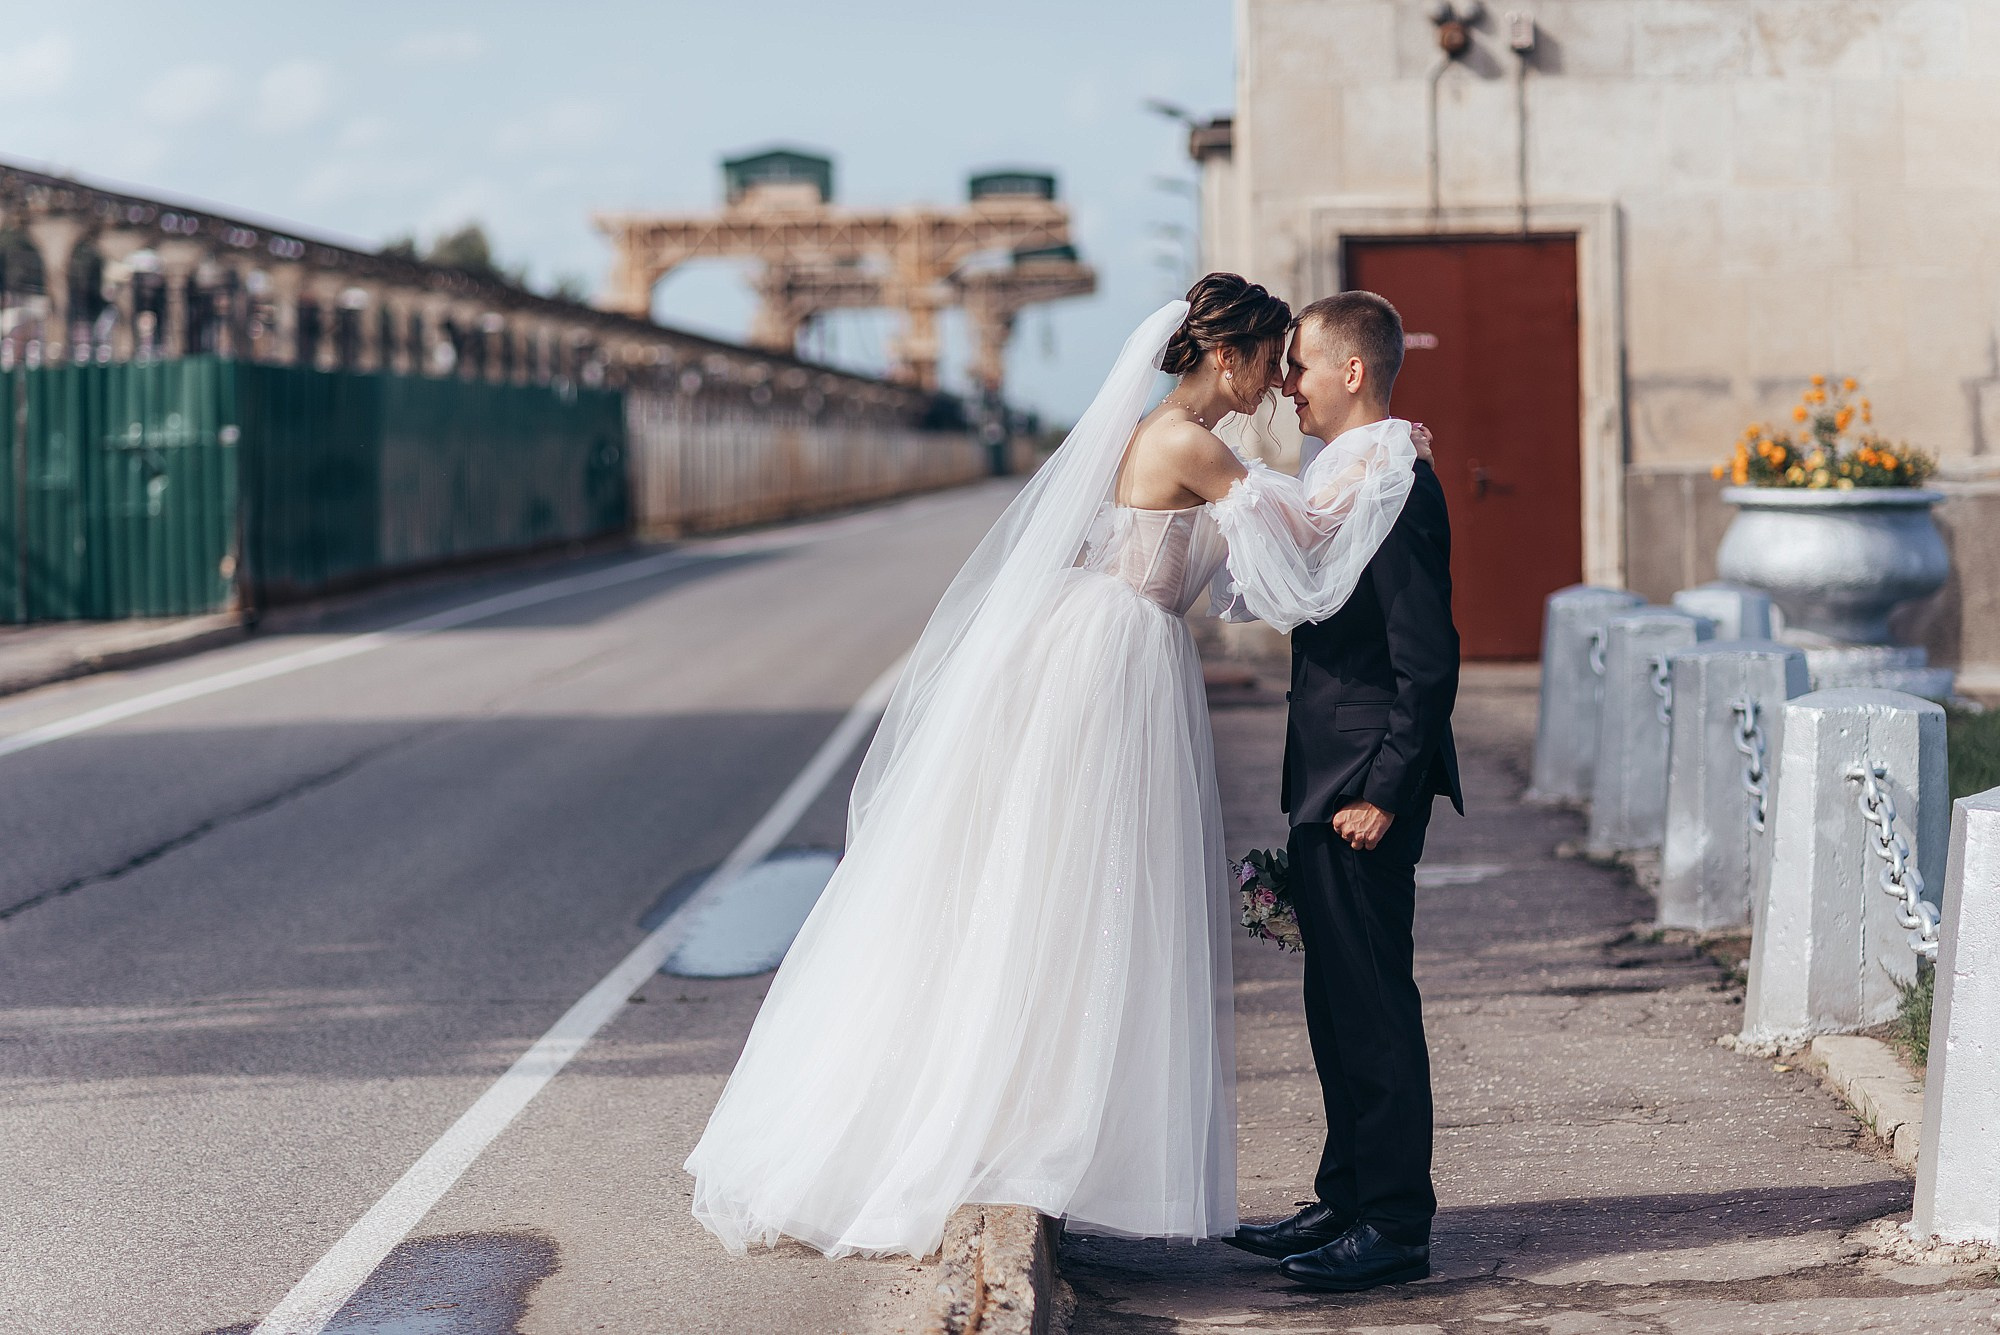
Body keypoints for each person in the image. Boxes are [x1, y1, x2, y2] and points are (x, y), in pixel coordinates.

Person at [684, 274, 1424, 1261]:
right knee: (1082, 891)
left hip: (1117, 649)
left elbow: (1263, 537)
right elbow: (1301, 541)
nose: (1279, 382)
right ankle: (1033, 1131)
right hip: (1113, 663)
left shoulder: (1180, 435)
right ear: (1227, 356)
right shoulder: (1185, 441)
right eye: (1269, 359)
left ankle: (1038, 1125)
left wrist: (1366, 459)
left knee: (1075, 892)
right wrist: (1384, 460)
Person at [1223, 291, 1462, 1292]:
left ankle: (1394, 1224)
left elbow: (1427, 659)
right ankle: (1346, 1193)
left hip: (1363, 789)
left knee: (1372, 1004)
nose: (1289, 385)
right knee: (1333, 1000)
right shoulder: (1348, 474)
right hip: (1324, 780)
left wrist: (1385, 792)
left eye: (1300, 366)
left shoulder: (1396, 482)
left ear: (1351, 371)